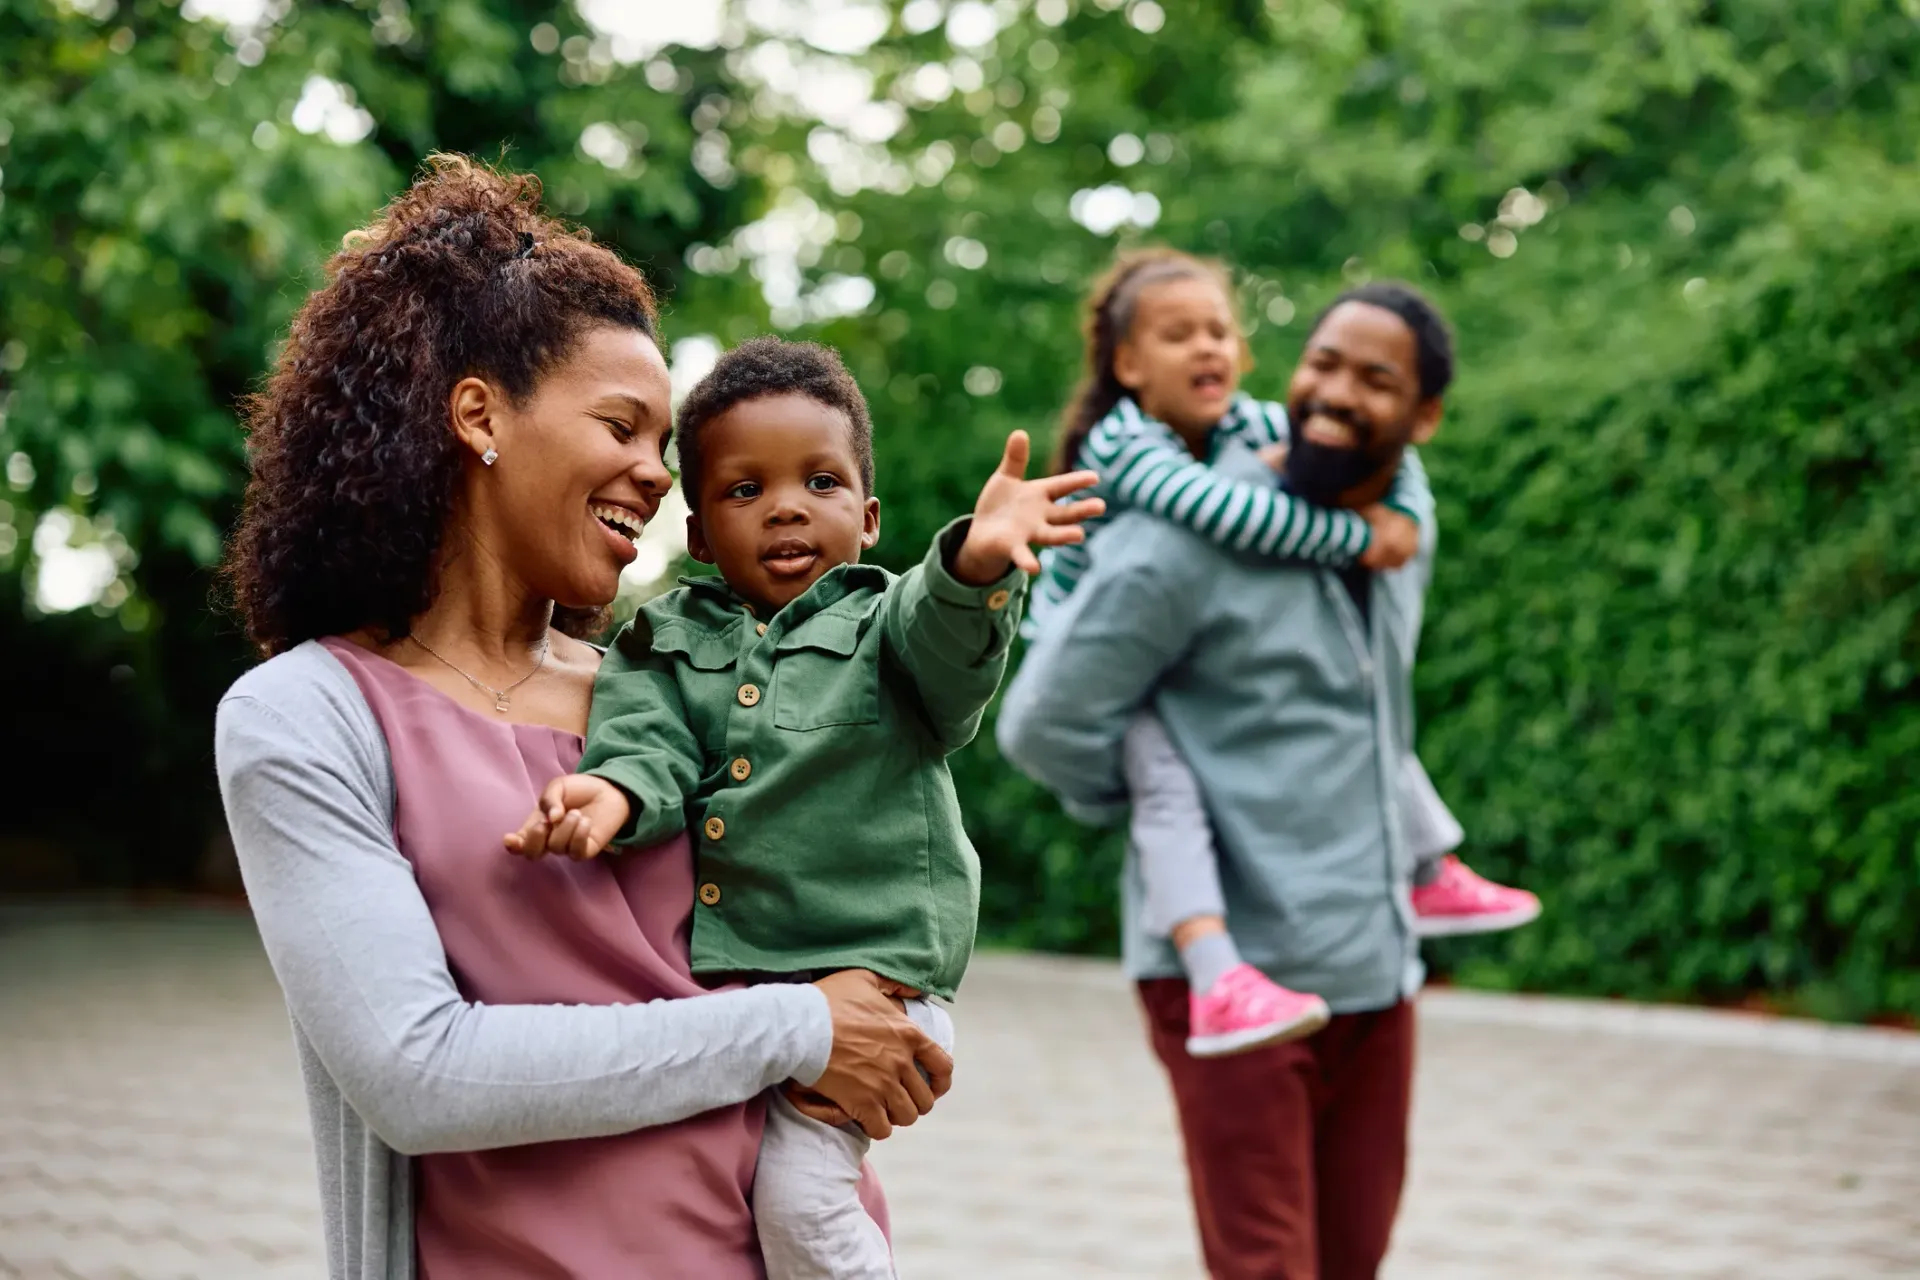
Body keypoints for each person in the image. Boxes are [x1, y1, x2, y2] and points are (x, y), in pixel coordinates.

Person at [214, 156, 951, 1280]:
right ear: (480, 415)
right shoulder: (307, 716)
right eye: (624, 426)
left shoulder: (668, 691)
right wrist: (803, 1026)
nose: (656, 477)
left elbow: (861, 869)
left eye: (665, 448)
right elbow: (419, 1072)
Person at [504, 336, 1103, 1279]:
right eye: (746, 491)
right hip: (756, 995)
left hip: (878, 984)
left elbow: (947, 647)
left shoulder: (885, 627)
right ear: (699, 535)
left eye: (819, 484)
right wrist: (609, 794)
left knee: (798, 1203)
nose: (786, 506)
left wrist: (978, 565)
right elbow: (646, 743)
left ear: (867, 518)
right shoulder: (664, 639)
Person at [997, 280, 1474, 1279]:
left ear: (1422, 416)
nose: (1334, 390)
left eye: (1374, 379)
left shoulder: (1400, 533)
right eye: (1325, 361)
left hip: (1376, 967)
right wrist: (1167, 797)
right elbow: (1043, 722)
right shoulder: (1181, 538)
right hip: (1232, 967)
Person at [1024, 249, 1537, 1058]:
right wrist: (1360, 535)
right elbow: (1239, 518)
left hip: (1360, 958)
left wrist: (1406, 505)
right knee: (1169, 789)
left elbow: (1390, 468)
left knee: (1360, 701)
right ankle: (1214, 969)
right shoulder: (1126, 447)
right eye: (1177, 334)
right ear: (1127, 364)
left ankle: (1427, 865)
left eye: (1219, 330)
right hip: (1077, 645)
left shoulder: (1247, 424)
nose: (1206, 348)